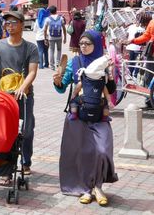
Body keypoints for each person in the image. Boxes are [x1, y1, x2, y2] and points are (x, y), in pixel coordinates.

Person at [53, 30, 118, 206]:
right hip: (78, 114)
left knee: (102, 150)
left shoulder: (104, 62)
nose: (83, 46)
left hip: (99, 115)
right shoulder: (75, 62)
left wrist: (111, 73)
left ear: (96, 45)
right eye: (81, 43)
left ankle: (98, 186)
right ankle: (88, 189)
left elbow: (111, 91)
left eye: (87, 43)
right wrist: (57, 81)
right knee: (83, 153)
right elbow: (62, 86)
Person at [0, 11, 39, 176]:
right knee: (5, 130)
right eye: (7, 23)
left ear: (22, 25)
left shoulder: (30, 47)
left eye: (13, 23)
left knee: (27, 129)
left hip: (24, 95)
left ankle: (25, 161)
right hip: (4, 96)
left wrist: (23, 87)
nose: (9, 26)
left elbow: (32, 72)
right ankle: (6, 166)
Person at [126, 11, 149, 77]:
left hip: (139, 48)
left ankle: (135, 75)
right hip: (130, 47)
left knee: (138, 63)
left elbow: (145, 38)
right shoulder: (131, 27)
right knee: (131, 62)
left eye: (139, 19)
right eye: (137, 19)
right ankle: (130, 75)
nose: (138, 20)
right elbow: (127, 35)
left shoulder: (143, 28)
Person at [44, 5, 67, 70]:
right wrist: (65, 37)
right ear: (56, 11)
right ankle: (58, 63)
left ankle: (52, 65)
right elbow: (64, 28)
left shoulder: (48, 19)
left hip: (51, 37)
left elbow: (45, 29)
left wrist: (45, 38)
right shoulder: (61, 18)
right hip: (59, 36)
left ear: (50, 11)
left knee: (51, 50)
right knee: (59, 50)